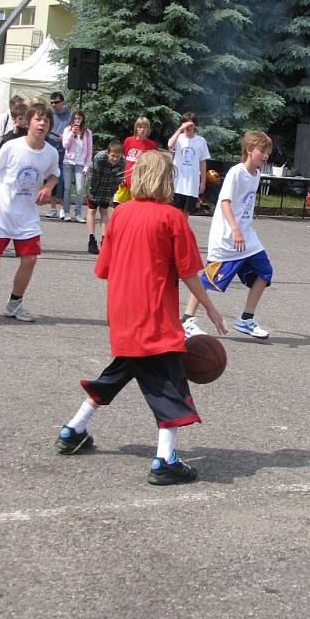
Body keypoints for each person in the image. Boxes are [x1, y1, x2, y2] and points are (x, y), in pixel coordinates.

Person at [55, 150, 226, 486]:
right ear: (167, 180)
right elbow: (190, 271)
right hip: (153, 317)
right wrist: (209, 306)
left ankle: (73, 429)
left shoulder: (119, 215)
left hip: (122, 312)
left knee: (122, 370)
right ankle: (165, 460)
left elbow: (103, 268)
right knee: (169, 386)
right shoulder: (172, 218)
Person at [0, 104, 59, 322]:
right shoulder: (12, 147)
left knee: (30, 259)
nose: (42, 124)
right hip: (2, 211)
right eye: (38, 119)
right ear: (29, 122)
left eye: (46, 121)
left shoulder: (51, 152)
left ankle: (14, 303)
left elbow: (54, 175)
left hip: (27, 215)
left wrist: (48, 187)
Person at [181, 131, 274, 340]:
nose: (266, 155)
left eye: (268, 152)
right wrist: (235, 229)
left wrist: (243, 229)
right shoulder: (236, 172)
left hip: (247, 236)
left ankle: (246, 319)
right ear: (249, 150)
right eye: (263, 151)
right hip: (227, 237)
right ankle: (187, 320)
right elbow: (225, 202)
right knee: (208, 280)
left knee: (265, 272)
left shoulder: (256, 174)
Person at [167, 111, 210, 217]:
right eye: (185, 123)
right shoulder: (179, 138)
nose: (188, 127)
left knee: (186, 213)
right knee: (176, 212)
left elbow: (203, 162)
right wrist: (180, 129)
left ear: (195, 125)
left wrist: (203, 182)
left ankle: (182, 232)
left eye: (190, 124)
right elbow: (170, 145)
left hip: (192, 184)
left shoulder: (200, 141)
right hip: (177, 182)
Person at [86, 141, 125, 254]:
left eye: (117, 157)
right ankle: (91, 240)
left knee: (104, 211)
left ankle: (105, 240)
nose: (115, 159)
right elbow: (94, 177)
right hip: (95, 185)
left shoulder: (122, 162)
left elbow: (118, 179)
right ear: (108, 153)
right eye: (113, 156)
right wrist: (92, 192)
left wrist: (112, 193)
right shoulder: (99, 158)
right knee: (92, 211)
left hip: (108, 187)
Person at [61, 111, 92, 223]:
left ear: (83, 119)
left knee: (79, 189)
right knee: (67, 188)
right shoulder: (67, 130)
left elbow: (89, 151)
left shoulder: (87, 133)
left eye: (79, 118)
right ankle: (67, 212)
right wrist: (72, 134)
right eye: (75, 118)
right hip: (68, 162)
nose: (77, 120)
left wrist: (87, 167)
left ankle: (78, 214)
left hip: (80, 164)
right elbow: (65, 145)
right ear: (73, 119)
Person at [44, 92, 71, 219]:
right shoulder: (49, 115)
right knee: (49, 178)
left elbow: (75, 131)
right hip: (49, 146)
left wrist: (65, 136)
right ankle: (53, 208)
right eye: (52, 102)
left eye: (57, 102)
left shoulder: (69, 115)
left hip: (63, 151)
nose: (54, 105)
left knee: (61, 181)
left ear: (62, 102)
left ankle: (62, 209)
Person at [122, 116, 158, 195]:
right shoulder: (128, 141)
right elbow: (123, 159)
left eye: (145, 127)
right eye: (140, 127)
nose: (142, 129)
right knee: (120, 204)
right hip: (125, 181)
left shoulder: (152, 145)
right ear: (136, 128)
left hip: (140, 182)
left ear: (148, 129)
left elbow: (155, 165)